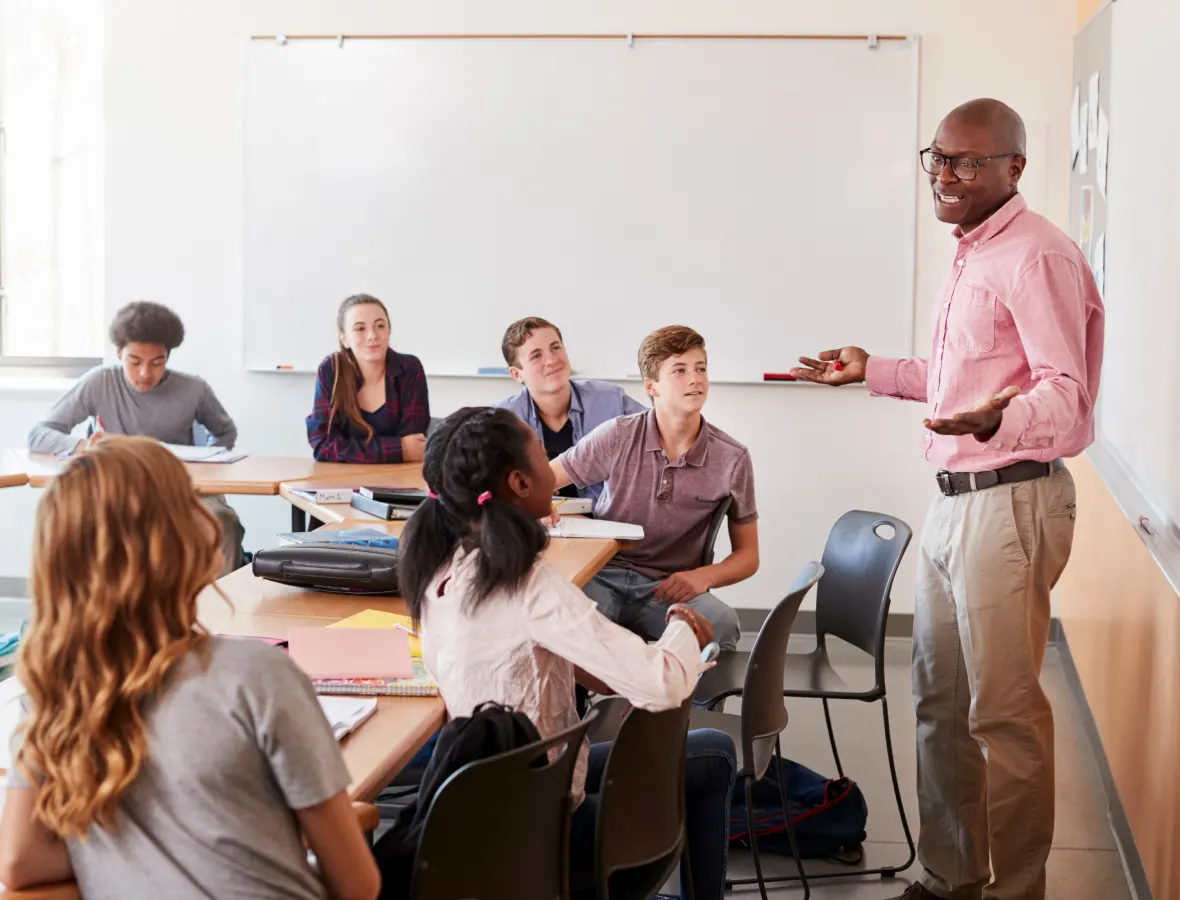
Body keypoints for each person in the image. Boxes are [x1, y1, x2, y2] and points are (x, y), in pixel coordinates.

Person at [790, 99, 1104, 900]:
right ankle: (951, 877)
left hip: (1011, 500)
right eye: (937, 158)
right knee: (940, 703)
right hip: (955, 501)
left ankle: (1016, 891)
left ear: (1014, 170)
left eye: (967, 163)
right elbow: (961, 379)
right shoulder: (973, 253)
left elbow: (1067, 398)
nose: (946, 176)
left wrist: (1004, 417)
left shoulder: (1036, 257)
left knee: (1004, 717)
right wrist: (872, 369)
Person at [0, 437, 380, 900]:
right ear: (165, 542)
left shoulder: (52, 693)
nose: (209, 514)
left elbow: (19, 863)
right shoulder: (259, 675)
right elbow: (358, 884)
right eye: (191, 499)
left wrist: (119, 852)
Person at [399, 406, 737, 900]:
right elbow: (664, 684)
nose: (552, 461)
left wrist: (602, 664)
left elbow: (552, 666)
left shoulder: (435, 567)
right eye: (542, 453)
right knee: (716, 754)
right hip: (536, 828)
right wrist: (683, 624)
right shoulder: (527, 586)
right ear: (518, 482)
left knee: (670, 753)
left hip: (477, 808)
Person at [549, 326, 756, 651]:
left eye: (701, 368)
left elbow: (749, 555)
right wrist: (538, 505)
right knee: (561, 621)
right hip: (603, 576)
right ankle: (580, 703)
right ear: (651, 386)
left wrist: (703, 577)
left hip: (670, 586)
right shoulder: (617, 436)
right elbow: (544, 480)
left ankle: (696, 703)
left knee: (721, 622)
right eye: (680, 370)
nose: (695, 379)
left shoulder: (732, 458)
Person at [27, 301, 246, 574]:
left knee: (222, 521)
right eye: (134, 361)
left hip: (181, 488)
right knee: (79, 520)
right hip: (115, 489)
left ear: (168, 356)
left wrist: (208, 464)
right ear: (119, 353)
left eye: (157, 362)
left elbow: (225, 431)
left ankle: (221, 611)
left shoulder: (193, 389)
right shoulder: (100, 382)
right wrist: (84, 446)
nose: (145, 374)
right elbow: (39, 434)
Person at [493, 316, 645, 501]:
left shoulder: (612, 400)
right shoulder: (500, 420)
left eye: (555, 347)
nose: (551, 360)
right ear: (517, 374)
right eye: (536, 355)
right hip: (537, 523)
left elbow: (659, 430)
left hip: (606, 522)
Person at [306, 293, 430, 463]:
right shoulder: (331, 369)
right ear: (344, 339)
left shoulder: (409, 368)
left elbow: (414, 446)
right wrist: (398, 449)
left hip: (399, 481)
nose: (372, 335)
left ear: (389, 330)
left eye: (380, 325)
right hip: (342, 482)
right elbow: (322, 445)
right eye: (360, 328)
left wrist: (351, 450)